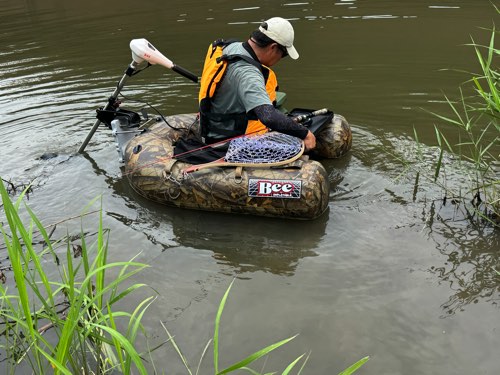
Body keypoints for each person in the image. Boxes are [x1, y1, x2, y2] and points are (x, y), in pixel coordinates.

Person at [198, 17, 316, 151]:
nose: (281, 59)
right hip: (226, 142)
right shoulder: (248, 73)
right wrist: (305, 134)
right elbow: (268, 116)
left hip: (211, 127)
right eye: (284, 54)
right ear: (273, 47)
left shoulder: (230, 46)